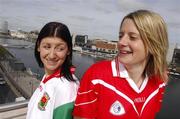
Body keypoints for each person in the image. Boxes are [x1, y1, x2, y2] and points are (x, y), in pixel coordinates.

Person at [73, 9, 169, 119]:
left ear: (153, 45)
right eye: (120, 36)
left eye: (132, 37)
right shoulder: (97, 76)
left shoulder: (159, 81)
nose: (121, 42)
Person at [26, 22, 79, 119]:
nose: (51, 55)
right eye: (47, 47)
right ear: (38, 46)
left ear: (68, 50)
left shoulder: (66, 88)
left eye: (60, 48)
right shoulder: (48, 78)